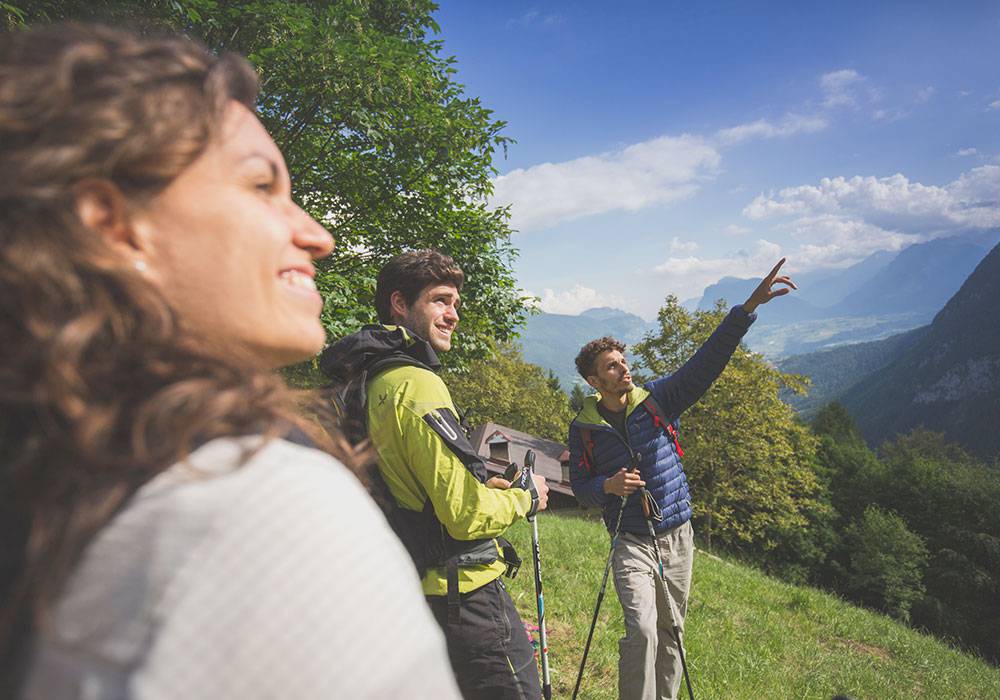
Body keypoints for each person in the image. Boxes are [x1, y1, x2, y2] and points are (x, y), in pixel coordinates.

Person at [0, 24, 461, 699]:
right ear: (112, 222)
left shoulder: (50, 474)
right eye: (259, 186)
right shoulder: (261, 506)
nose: (318, 235)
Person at [320, 250, 550, 699]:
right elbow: (464, 516)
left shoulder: (361, 382)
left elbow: (405, 483)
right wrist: (527, 497)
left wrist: (480, 486)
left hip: (405, 589)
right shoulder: (416, 383)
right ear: (400, 304)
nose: (453, 315)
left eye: (456, 304)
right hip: (465, 598)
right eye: (441, 301)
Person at [568, 260, 796, 700]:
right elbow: (580, 488)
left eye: (623, 361)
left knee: (671, 634)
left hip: (676, 537)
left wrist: (747, 308)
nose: (623, 369)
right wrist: (607, 488)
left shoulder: (659, 399)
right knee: (642, 631)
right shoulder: (583, 428)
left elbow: (705, 364)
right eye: (612, 367)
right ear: (595, 380)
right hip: (630, 540)